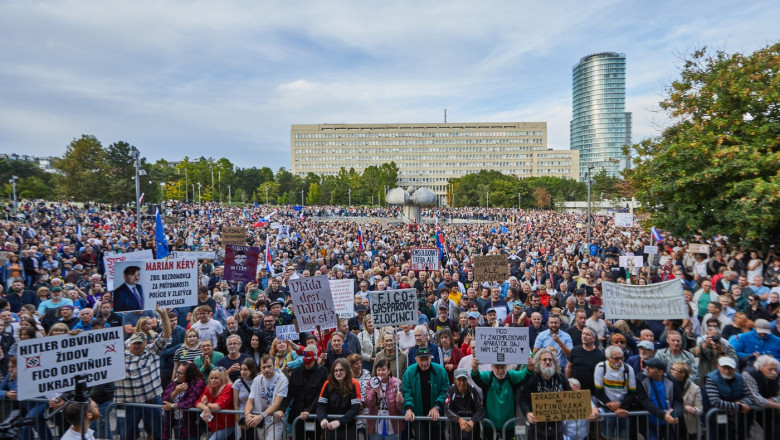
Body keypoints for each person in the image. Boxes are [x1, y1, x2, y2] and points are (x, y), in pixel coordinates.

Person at [114, 306, 172, 440]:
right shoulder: (119, 358)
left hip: (151, 400)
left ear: (146, 343)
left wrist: (163, 315)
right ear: (129, 344)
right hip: (129, 403)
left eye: (141, 343)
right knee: (126, 435)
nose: (138, 346)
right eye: (136, 343)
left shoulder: (151, 351)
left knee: (157, 432)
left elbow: (166, 336)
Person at [471, 355, 529, 437]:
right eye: (497, 367)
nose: (500, 370)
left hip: (509, 426)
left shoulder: (512, 376)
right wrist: (474, 369)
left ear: (507, 366)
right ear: (492, 367)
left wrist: (530, 367)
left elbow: (525, 375)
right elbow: (477, 377)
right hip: (489, 426)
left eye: (503, 367)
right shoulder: (488, 377)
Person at [521, 348, 573, 439]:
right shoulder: (533, 378)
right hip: (537, 426)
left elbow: (571, 396)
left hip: (557, 426)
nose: (548, 362)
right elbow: (524, 398)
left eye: (550, 359)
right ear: (538, 362)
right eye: (544, 360)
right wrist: (527, 413)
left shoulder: (561, 377)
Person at [402, 347, 449, 440]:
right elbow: (407, 392)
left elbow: (445, 391)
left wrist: (437, 407)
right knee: (421, 437)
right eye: (421, 360)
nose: (424, 363)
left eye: (427, 359)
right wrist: (408, 409)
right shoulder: (409, 372)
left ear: (431, 358)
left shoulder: (440, 370)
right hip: (418, 416)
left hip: (436, 415)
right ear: (416, 360)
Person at [594, 344, 638, 440]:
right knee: (608, 437)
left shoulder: (628, 368)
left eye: (621, 358)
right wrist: (611, 406)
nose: (620, 361)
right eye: (616, 359)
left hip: (624, 408)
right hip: (607, 408)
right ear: (608, 358)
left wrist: (620, 404)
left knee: (624, 437)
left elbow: (632, 392)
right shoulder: (601, 367)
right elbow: (598, 391)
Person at [284, 346, 329, 440]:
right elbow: (289, 393)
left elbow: (321, 394)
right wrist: (281, 409)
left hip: (315, 416)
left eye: (309, 362)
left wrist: (309, 410)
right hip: (298, 416)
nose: (307, 365)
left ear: (315, 358)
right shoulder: (296, 372)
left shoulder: (323, 372)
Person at [703, 356, 752, 440]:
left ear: (735, 369)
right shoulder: (711, 379)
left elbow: (750, 397)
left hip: (732, 418)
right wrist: (739, 407)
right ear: (718, 366)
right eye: (724, 367)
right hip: (713, 417)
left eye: (730, 368)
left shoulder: (740, 378)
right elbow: (715, 401)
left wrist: (740, 403)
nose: (727, 371)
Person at [636, 357, 684, 440]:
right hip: (649, 422)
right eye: (647, 366)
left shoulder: (671, 380)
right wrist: (663, 415)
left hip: (667, 423)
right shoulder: (640, 379)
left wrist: (674, 414)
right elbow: (644, 400)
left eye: (651, 367)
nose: (646, 368)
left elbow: (678, 401)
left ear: (660, 372)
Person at [317, 358, 362, 440]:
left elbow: (355, 409)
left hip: (348, 426)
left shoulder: (354, 383)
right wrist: (322, 418)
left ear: (347, 371)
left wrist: (339, 422)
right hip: (331, 425)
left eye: (341, 370)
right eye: (336, 370)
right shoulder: (327, 383)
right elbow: (321, 405)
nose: (338, 373)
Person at [246, 355, 289, 440]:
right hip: (261, 421)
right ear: (260, 368)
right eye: (263, 367)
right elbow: (250, 400)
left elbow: (276, 404)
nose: (266, 370)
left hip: (275, 421)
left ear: (274, 365)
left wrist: (261, 416)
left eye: (269, 366)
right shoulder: (257, 379)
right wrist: (247, 414)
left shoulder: (282, 379)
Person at [162, 361, 207, 440]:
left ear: (189, 374)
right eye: (177, 372)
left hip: (190, 423)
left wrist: (172, 406)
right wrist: (176, 392)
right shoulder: (175, 382)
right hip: (175, 420)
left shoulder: (198, 383)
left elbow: (191, 402)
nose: (177, 375)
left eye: (181, 373)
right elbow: (165, 399)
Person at [365, 359, 406, 440]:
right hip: (375, 423)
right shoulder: (371, 382)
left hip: (393, 423)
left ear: (389, 371)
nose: (380, 372)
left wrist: (400, 400)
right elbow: (368, 404)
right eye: (378, 370)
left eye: (383, 370)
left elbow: (401, 408)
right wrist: (373, 392)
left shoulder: (397, 383)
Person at [742, 355, 780, 440]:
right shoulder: (748, 373)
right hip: (746, 408)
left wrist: (770, 401)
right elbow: (755, 398)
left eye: (776, 369)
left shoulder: (778, 375)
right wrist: (776, 405)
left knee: (776, 433)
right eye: (770, 369)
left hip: (768, 409)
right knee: (740, 434)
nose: (774, 372)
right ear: (760, 367)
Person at [196, 367, 236, 440]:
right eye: (211, 378)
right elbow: (197, 402)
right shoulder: (208, 388)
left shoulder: (228, 387)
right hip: (214, 425)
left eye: (216, 378)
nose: (213, 380)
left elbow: (218, 406)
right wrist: (206, 408)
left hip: (226, 425)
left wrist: (207, 403)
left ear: (222, 379)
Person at [444, 368, 484, 440]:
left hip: (473, 429)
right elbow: (447, 409)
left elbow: (480, 410)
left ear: (467, 379)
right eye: (459, 380)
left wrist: (472, 421)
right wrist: (459, 420)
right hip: (456, 429)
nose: (462, 383)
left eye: (464, 380)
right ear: (454, 380)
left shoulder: (473, 390)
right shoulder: (451, 390)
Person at [566, 327, 604, 394]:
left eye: (588, 334)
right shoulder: (575, 350)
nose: (584, 336)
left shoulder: (601, 355)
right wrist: (567, 383)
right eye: (583, 333)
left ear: (594, 338)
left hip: (591, 392)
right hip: (575, 391)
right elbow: (569, 367)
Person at [669, 362, 702, 440]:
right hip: (673, 423)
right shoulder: (668, 385)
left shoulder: (695, 388)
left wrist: (693, 410)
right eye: (671, 369)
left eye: (674, 370)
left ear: (683, 374)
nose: (671, 371)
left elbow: (700, 409)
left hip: (689, 426)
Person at [232, 358, 259, 440]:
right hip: (242, 415)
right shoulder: (238, 382)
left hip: (256, 415)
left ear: (251, 370)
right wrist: (238, 421)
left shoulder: (258, 380)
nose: (242, 372)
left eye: (245, 369)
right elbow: (235, 403)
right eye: (241, 369)